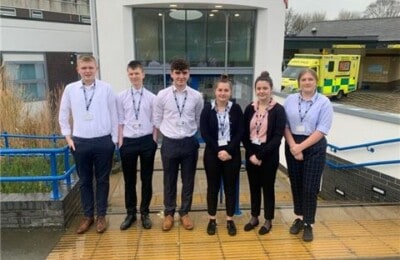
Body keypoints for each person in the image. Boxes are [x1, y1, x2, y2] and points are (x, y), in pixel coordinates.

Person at [59, 54, 118, 234]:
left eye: (90, 68)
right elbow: (63, 114)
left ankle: (101, 216)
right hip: (80, 142)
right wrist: (68, 138)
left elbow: (114, 114)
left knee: (102, 180)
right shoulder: (70, 89)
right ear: (78, 70)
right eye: (84, 68)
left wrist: (113, 141)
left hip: (103, 141)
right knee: (84, 181)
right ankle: (87, 216)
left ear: (96, 69)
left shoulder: (106, 88)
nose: (87, 71)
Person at [153, 58, 204, 231]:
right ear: (171, 74)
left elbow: (198, 119)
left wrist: (188, 133)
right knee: (169, 180)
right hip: (169, 142)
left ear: (188, 74)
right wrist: (169, 133)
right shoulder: (162, 95)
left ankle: (184, 212)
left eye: (184, 73)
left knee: (188, 180)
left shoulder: (197, 96)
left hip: (189, 142)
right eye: (177, 73)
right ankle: (169, 213)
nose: (181, 76)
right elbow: (157, 119)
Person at [283, 68, 333, 242]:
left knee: (310, 187)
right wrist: (292, 146)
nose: (307, 82)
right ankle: (299, 218)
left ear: (316, 82)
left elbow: (322, 130)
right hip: (292, 143)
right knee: (296, 184)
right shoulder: (289, 100)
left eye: (310, 79)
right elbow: (285, 125)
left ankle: (308, 224)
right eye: (303, 79)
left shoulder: (324, 102)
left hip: (314, 146)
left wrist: (300, 148)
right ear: (299, 83)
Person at [242, 71, 286, 235]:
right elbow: (244, 134)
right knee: (253, 187)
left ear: (271, 89)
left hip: (269, 156)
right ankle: (254, 217)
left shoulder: (278, 110)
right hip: (251, 154)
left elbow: (277, 137)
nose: (261, 91)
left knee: (268, 188)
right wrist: (252, 154)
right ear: (255, 90)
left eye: (265, 88)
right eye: (259, 88)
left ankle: (268, 220)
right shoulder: (249, 108)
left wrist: (260, 156)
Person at [200, 75, 244, 236]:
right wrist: (219, 150)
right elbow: (204, 132)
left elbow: (240, 131)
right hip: (213, 154)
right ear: (215, 91)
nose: (223, 93)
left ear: (230, 92)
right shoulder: (207, 108)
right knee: (212, 188)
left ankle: (229, 220)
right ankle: (212, 220)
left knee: (230, 188)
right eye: (220, 90)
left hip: (232, 154)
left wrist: (229, 151)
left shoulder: (236, 109)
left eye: (226, 90)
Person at [116, 60, 158, 230]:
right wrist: (120, 142)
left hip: (147, 140)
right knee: (129, 180)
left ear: (143, 75)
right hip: (128, 142)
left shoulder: (152, 97)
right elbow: (119, 121)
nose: (134, 76)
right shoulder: (121, 97)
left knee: (146, 179)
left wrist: (154, 141)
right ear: (128, 75)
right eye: (131, 74)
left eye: (137, 73)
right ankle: (130, 213)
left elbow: (155, 121)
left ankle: (145, 213)